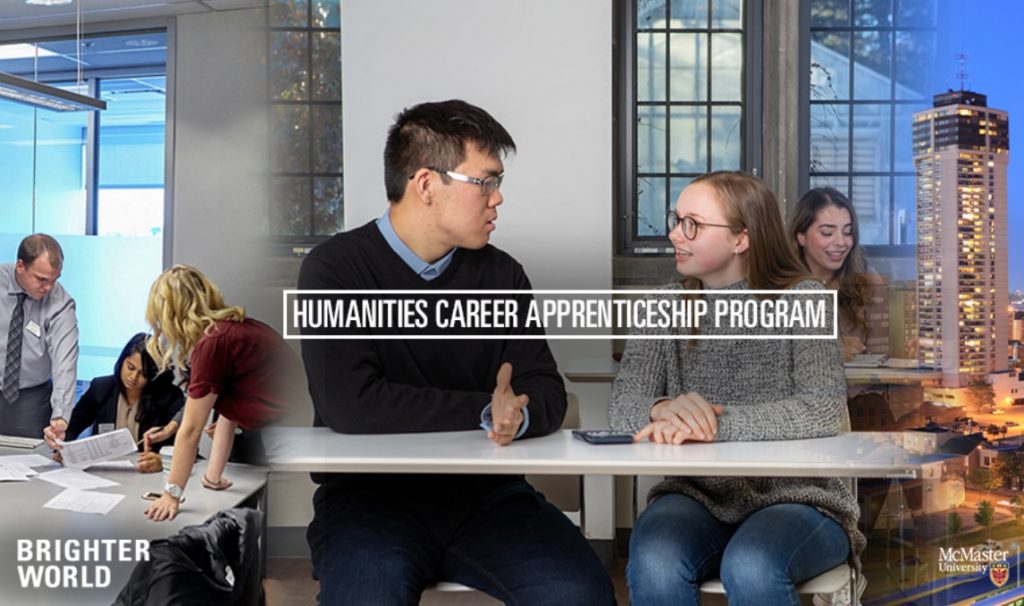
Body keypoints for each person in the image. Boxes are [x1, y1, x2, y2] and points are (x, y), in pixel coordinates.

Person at [298, 99, 614, 605]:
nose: (498, 198)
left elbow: (546, 391)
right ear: (426, 184)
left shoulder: (502, 275)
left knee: (582, 594)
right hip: (370, 500)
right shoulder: (334, 270)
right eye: (485, 182)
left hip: (487, 496)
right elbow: (351, 404)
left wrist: (519, 416)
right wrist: (487, 411)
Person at [609, 171, 863, 605]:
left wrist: (709, 424)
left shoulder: (804, 301)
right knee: (654, 557)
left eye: (693, 224)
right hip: (696, 495)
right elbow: (622, 409)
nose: (674, 233)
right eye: (676, 219)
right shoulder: (663, 306)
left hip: (802, 498)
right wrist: (663, 409)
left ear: (741, 238)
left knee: (753, 564)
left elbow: (821, 409)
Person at [143, 264, 296, 521]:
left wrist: (172, 494)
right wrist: (212, 477)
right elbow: (229, 411)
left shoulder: (214, 343)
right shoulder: (233, 329)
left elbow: (191, 430)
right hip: (291, 426)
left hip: (285, 433)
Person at [43, 333, 184, 473]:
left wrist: (162, 460)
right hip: (103, 472)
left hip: (147, 476)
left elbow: (186, 447)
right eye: (130, 367)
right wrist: (61, 444)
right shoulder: (101, 388)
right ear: (122, 361)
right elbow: (72, 428)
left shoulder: (169, 397)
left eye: (143, 373)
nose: (134, 377)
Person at [789, 186, 889, 361]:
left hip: (861, 387)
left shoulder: (868, 282)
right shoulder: (777, 285)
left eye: (847, 232)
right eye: (827, 233)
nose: (841, 242)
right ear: (801, 236)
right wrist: (825, 349)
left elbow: (883, 359)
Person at [0, 234, 78, 439]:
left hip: (31, 400)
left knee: (28, 464)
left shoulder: (60, 303)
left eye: (54, 279)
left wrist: (60, 417)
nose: (48, 287)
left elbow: (65, 363)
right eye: (42, 279)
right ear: (20, 266)